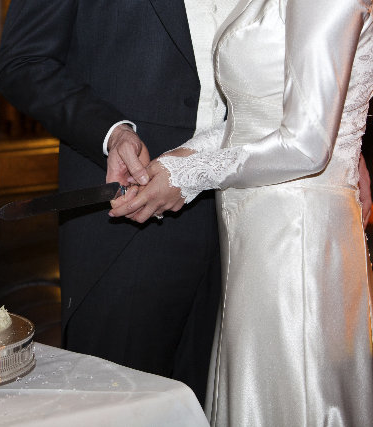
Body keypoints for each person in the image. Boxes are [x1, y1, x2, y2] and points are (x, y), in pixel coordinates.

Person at [110, 0, 373, 425]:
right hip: (255, 232)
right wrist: (171, 166)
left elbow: (307, 145)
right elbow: (251, 121)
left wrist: (192, 175)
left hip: (297, 237)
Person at [0, 0, 238, 405]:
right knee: (115, 405)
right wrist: (113, 134)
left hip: (245, 211)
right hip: (128, 212)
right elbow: (25, 61)